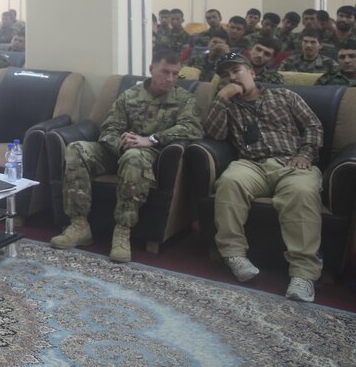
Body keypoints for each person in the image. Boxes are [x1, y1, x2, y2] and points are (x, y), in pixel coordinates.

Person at [50, 49, 201, 262]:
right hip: (117, 150)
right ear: (151, 69)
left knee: (134, 158)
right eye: (165, 72)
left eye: (175, 74)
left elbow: (192, 128)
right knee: (76, 149)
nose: (170, 79)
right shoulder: (130, 95)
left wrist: (153, 139)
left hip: (149, 157)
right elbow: (109, 128)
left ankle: (122, 231)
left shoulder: (184, 99)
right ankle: (79, 225)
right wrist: (123, 143)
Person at [206, 52, 324, 302]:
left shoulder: (284, 95)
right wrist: (220, 99)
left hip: (291, 162)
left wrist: (306, 154)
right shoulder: (228, 105)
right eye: (225, 75)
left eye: (236, 70)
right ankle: (234, 254)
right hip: (252, 164)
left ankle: (303, 274)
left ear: (252, 72)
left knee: (302, 193)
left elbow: (313, 126)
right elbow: (214, 135)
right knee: (229, 182)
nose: (231, 77)